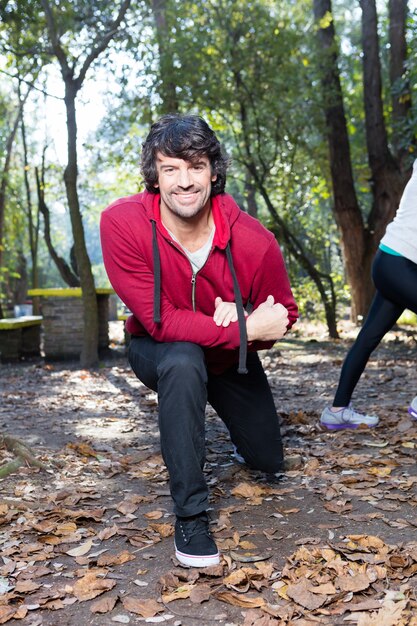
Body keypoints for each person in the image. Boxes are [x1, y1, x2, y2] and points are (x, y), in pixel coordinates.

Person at [100, 113, 298, 568]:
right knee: (184, 360)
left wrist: (246, 319)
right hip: (158, 350)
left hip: (228, 360)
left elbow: (282, 312)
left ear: (213, 171)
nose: (184, 182)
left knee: (268, 460)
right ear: (154, 174)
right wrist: (242, 328)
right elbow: (161, 321)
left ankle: (234, 431)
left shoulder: (254, 241)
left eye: (196, 166)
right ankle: (190, 516)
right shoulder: (122, 224)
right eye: (170, 168)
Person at [321, 159, 417, 430]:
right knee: (367, 337)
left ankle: (337, 410)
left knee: (368, 337)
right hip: (399, 263)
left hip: (392, 263)